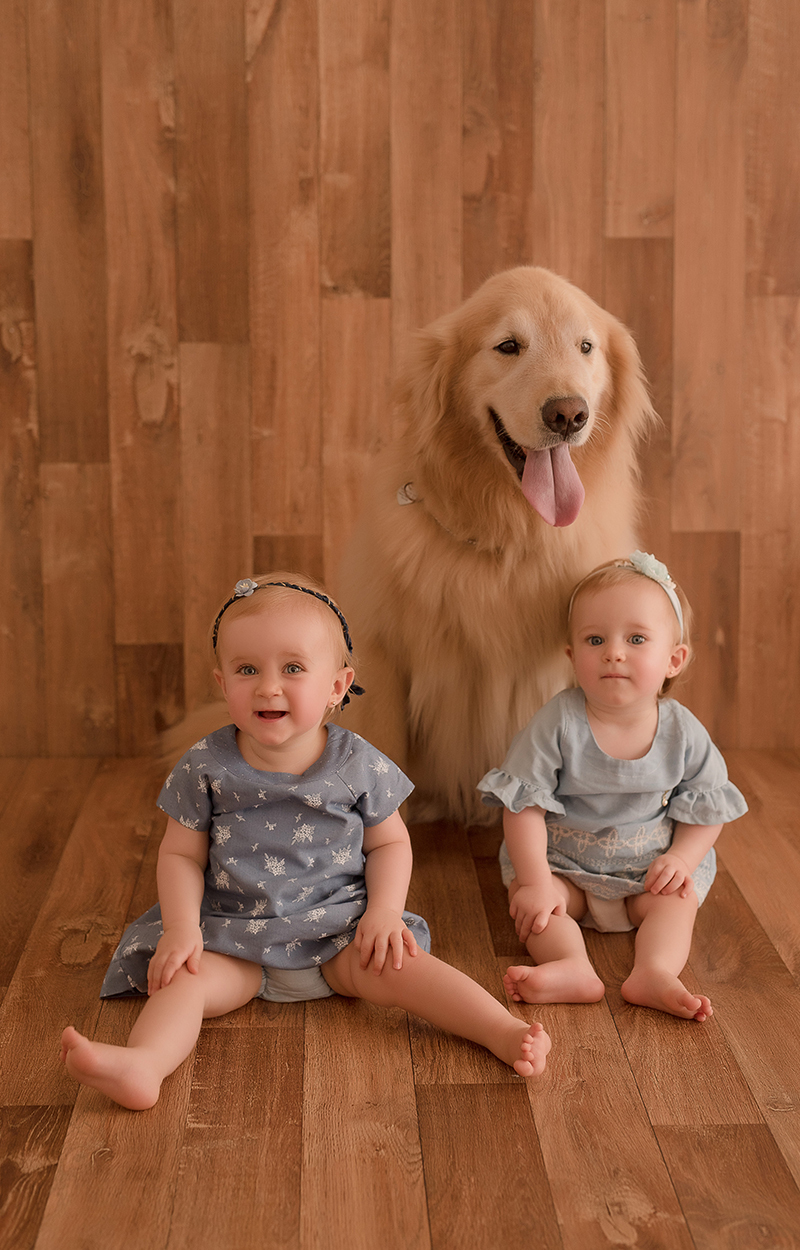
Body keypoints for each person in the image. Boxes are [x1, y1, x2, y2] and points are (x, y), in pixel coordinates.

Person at [61, 572, 550, 1108]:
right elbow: (180, 854)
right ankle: (145, 1063)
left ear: (337, 687)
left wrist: (384, 913)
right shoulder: (204, 766)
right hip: (233, 940)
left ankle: (501, 1031)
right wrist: (181, 929)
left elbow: (390, 845)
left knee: (407, 969)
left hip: (341, 935)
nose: (268, 687)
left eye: (292, 668)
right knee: (184, 982)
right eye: (247, 669)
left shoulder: (357, 763)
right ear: (222, 683)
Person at [478, 551, 747, 1022]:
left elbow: (707, 808)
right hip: (564, 867)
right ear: (572, 656)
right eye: (595, 639)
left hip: (648, 873)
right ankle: (570, 965)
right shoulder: (558, 722)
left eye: (636, 639)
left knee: (676, 902)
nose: (613, 652)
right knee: (536, 906)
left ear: (674, 659)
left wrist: (681, 860)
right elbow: (523, 806)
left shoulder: (682, 731)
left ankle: (654, 971)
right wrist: (537, 881)